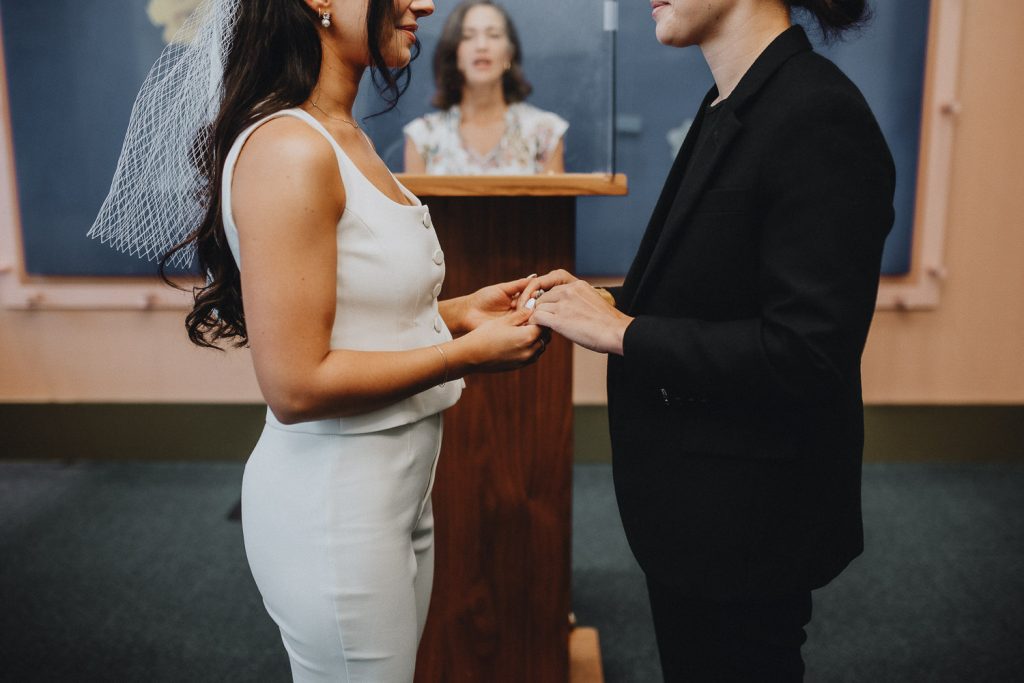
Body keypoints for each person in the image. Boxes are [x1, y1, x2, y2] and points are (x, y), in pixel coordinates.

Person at [89, 0, 547, 680]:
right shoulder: (290, 147)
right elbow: (296, 384)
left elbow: (361, 317)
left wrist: (455, 313)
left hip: (395, 498)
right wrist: (467, 354)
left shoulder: (342, 134)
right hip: (336, 513)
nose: (423, 2)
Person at [521, 0, 895, 680]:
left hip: (749, 524)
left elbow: (806, 354)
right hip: (698, 512)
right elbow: (716, 287)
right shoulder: (731, 100)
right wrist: (607, 305)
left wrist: (623, 331)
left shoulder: (818, 114)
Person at [402, 0, 568, 174]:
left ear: (509, 54)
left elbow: (553, 202)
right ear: (455, 54)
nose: (481, 46)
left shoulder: (545, 133)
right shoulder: (422, 137)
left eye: (493, 35)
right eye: (468, 36)